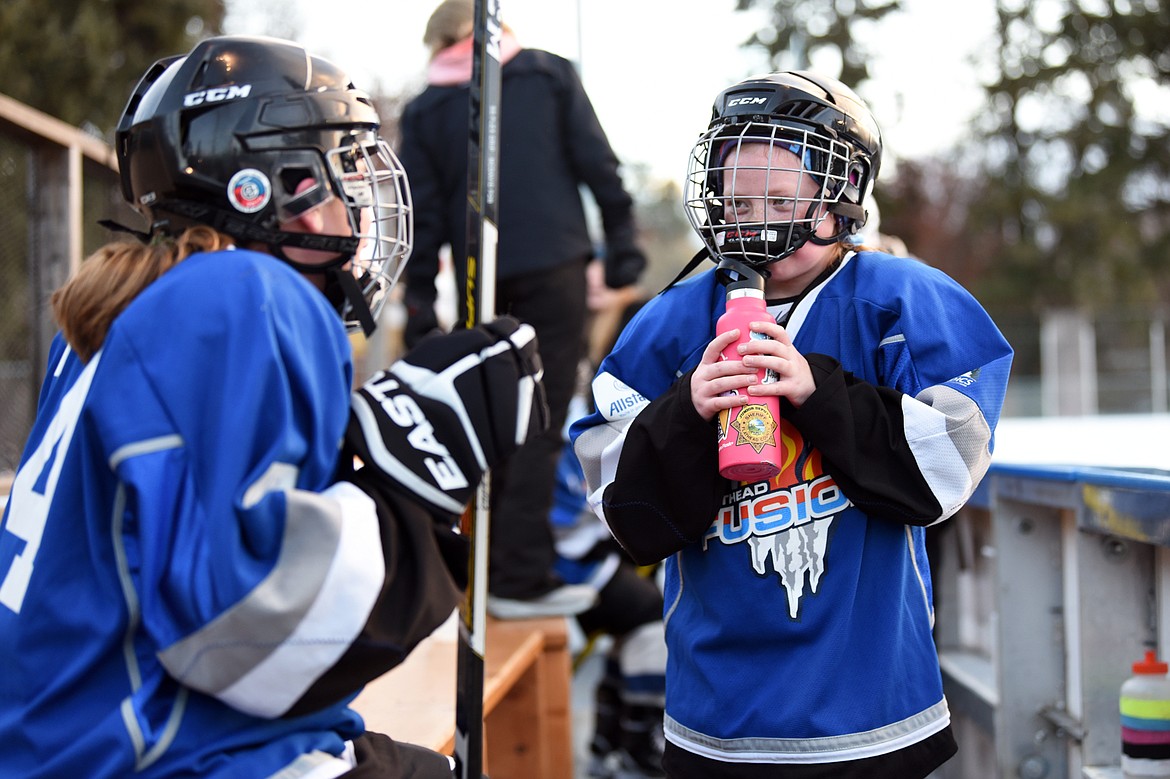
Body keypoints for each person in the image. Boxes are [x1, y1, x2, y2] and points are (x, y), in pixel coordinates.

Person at [0, 35, 548, 779]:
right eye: (334, 175)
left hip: (94, 736)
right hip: (154, 752)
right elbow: (244, 635)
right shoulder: (238, 296)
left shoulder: (132, 305)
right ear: (268, 184)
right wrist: (415, 475)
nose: (352, 208)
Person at [570, 71, 1014, 778]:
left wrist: (819, 390)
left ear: (842, 197)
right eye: (741, 201)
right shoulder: (666, 325)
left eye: (781, 199)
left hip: (869, 709)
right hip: (721, 715)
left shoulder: (901, 301)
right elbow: (629, 519)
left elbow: (942, 475)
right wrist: (685, 411)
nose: (759, 220)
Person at [397, 0, 647, 619]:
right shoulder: (545, 73)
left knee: (493, 414)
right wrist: (622, 251)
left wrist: (421, 305)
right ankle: (518, 574)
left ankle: (480, 566)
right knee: (542, 412)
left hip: (483, 276)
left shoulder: (426, 108)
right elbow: (597, 162)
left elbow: (423, 219)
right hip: (555, 267)